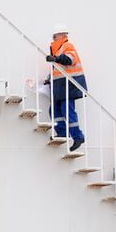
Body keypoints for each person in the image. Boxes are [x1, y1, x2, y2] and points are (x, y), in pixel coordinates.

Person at [44, 24, 87, 152]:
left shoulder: (67, 46)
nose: (53, 38)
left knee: (67, 110)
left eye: (55, 36)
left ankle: (78, 137)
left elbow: (69, 59)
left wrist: (56, 58)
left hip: (68, 86)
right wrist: (49, 78)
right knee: (54, 110)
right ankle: (62, 132)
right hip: (60, 86)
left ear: (62, 35)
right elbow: (57, 69)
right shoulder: (57, 50)